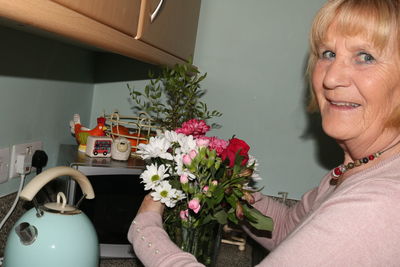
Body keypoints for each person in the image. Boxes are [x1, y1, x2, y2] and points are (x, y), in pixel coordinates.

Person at [128, 0, 400, 265]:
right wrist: (225, 182)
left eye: (365, 57)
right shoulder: (359, 167)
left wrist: (145, 229)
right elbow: (284, 228)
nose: (330, 78)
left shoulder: (381, 203)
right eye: (328, 53)